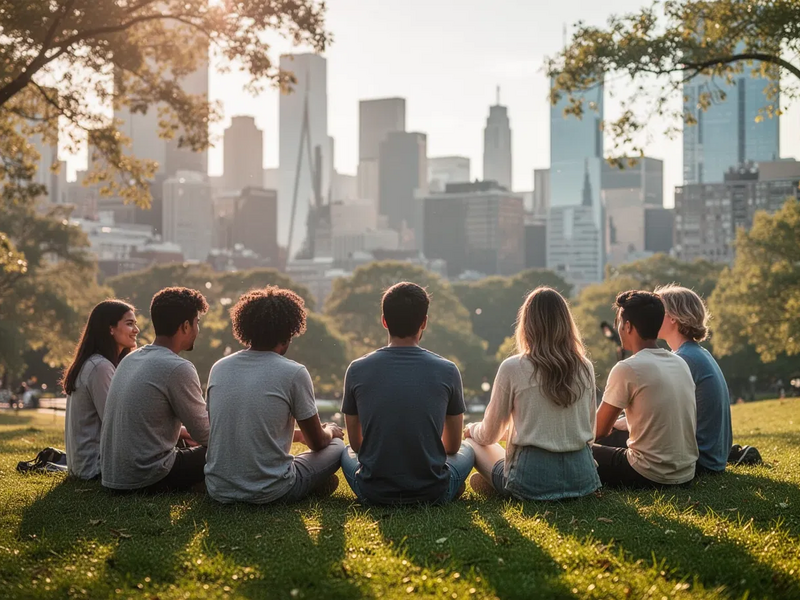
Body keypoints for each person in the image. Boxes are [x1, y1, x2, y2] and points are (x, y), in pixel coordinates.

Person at [205, 287, 344, 504]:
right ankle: (310, 484)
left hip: (218, 489)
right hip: (273, 491)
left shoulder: (219, 367)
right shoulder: (294, 372)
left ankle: (311, 483)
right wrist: (331, 430)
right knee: (336, 446)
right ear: (289, 332)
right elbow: (317, 442)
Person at [340, 282, 474, 505]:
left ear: (384, 321)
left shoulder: (356, 369)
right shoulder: (448, 370)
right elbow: (451, 447)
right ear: (424, 322)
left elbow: (356, 445)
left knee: (343, 450)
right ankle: (452, 486)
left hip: (372, 493)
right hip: (433, 492)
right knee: (469, 447)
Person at [464, 287, 601, 500]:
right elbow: (590, 430)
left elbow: (489, 434)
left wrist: (471, 430)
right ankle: (495, 484)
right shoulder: (585, 367)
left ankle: (498, 484)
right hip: (582, 477)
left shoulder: (513, 367)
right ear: (566, 323)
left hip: (532, 481)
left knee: (474, 443)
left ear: (526, 324)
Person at [100, 287, 210, 493]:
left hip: (114, 476)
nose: (198, 330)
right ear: (186, 326)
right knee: (229, 447)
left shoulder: (130, 359)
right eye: (197, 323)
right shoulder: (177, 367)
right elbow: (206, 434)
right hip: (147, 477)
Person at [593, 290, 698, 488]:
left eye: (619, 323)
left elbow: (599, 430)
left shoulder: (627, 368)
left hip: (648, 474)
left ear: (628, 326)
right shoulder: (680, 362)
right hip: (686, 472)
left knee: (581, 452)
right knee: (615, 435)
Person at [655, 285, 761, 468]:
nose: (651, 318)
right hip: (712, 455)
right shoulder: (695, 353)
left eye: (657, 311)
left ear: (673, 317)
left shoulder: (684, 359)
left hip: (701, 460)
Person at [61, 300, 139, 480]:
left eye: (135, 324)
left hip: (86, 466)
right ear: (110, 328)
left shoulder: (97, 364)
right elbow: (117, 423)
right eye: (129, 324)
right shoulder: (100, 367)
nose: (136, 330)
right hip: (95, 468)